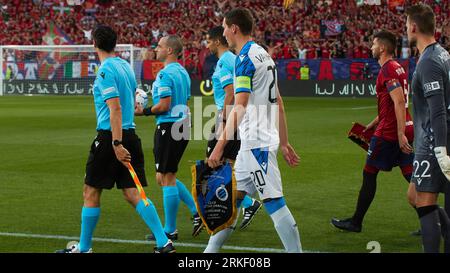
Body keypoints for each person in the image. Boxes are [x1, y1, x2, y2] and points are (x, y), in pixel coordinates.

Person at [56, 25, 174, 253]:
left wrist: (116, 144)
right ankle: (163, 243)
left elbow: (116, 109)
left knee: (90, 191)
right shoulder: (124, 66)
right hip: (131, 135)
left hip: (112, 137)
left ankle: (84, 249)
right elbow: (132, 98)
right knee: (133, 193)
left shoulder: (105, 71)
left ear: (94, 44)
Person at [206, 8, 302, 253]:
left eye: (225, 27)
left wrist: (218, 147)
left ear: (234, 28)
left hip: (257, 143)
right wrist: (283, 141)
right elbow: (278, 101)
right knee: (231, 201)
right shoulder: (264, 55)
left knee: (274, 203)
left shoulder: (245, 59)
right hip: (252, 144)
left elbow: (239, 107)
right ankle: (209, 253)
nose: (224, 32)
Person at [331, 30, 415, 233]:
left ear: (383, 48)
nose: (371, 48)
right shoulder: (398, 68)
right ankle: (432, 216)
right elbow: (393, 103)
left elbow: (399, 101)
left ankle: (356, 222)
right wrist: (373, 123)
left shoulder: (387, 69)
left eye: (374, 44)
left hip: (389, 133)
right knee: (410, 176)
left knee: (369, 174)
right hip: (400, 127)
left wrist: (399, 132)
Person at [135, 35, 201, 240]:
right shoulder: (183, 73)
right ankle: (196, 212)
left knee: (167, 177)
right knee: (162, 177)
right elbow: (185, 100)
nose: (156, 49)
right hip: (182, 125)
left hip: (169, 126)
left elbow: (163, 105)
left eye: (160, 46)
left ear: (170, 51)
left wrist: (142, 112)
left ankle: (170, 230)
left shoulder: (164, 75)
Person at [205, 25, 263, 230]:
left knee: (214, 164)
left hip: (229, 117)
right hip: (239, 118)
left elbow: (230, 93)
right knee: (228, 167)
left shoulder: (223, 63)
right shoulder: (233, 59)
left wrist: (222, 122)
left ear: (217, 41)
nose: (207, 44)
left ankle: (216, 212)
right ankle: (243, 204)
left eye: (209, 40)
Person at [405, 4, 450, 253]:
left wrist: (440, 150)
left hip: (432, 142)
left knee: (424, 201)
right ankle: (447, 230)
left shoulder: (429, 61)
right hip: (429, 140)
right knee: (413, 196)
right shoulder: (442, 54)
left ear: (413, 27)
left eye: (406, 25)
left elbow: (439, 110)